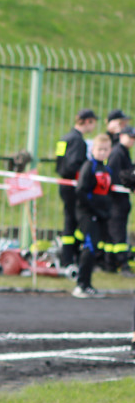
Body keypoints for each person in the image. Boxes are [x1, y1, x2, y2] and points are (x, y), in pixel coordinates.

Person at [56, 108, 97, 274]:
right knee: (73, 221)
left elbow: (59, 163)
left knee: (69, 220)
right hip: (73, 185)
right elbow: (73, 165)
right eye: (93, 122)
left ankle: (67, 257)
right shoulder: (78, 141)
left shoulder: (65, 137)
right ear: (87, 121)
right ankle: (69, 258)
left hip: (64, 184)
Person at [72, 134, 113, 298]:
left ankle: (88, 284)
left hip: (101, 214)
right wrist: (93, 210)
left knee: (95, 247)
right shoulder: (89, 166)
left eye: (105, 150)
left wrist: (105, 211)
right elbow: (81, 191)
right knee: (89, 246)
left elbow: (108, 192)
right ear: (93, 150)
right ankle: (81, 284)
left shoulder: (106, 169)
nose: (102, 152)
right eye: (99, 149)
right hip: (87, 213)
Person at [106, 126, 135, 276]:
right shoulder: (118, 152)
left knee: (115, 232)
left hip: (121, 199)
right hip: (116, 199)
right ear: (122, 136)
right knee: (118, 233)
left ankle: (110, 263)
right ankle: (122, 264)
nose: (132, 141)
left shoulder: (124, 152)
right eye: (130, 137)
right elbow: (115, 176)